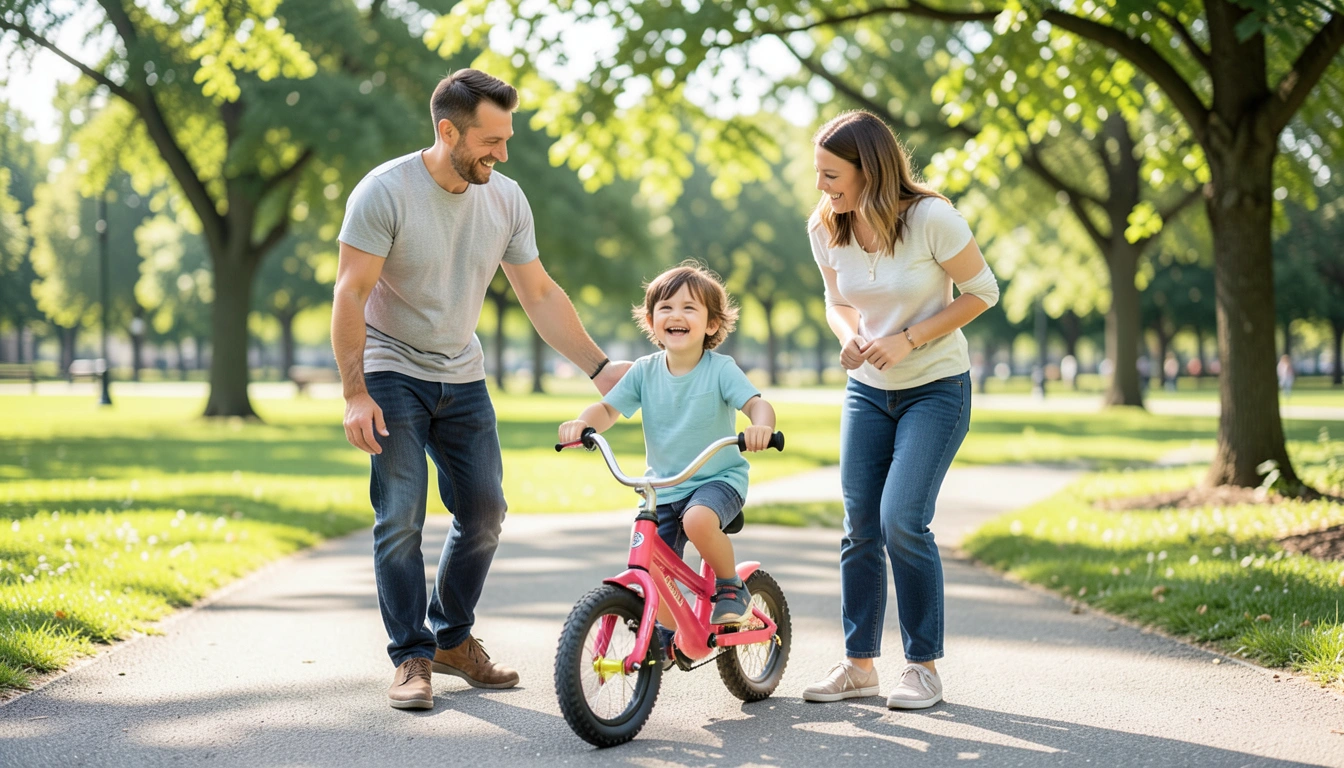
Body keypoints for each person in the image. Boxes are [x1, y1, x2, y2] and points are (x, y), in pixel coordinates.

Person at [332, 69, 630, 711]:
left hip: (461, 372)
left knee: (486, 511)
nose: (502, 152)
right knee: (401, 515)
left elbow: (540, 293)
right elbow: (351, 292)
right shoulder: (384, 192)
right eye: (490, 140)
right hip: (390, 367)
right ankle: (411, 657)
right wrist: (356, 393)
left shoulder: (506, 198)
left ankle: (452, 638)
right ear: (448, 131)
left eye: (506, 138)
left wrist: (599, 368)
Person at [801, 111, 999, 710]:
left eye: (832, 174)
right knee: (859, 524)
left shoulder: (931, 219)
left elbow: (983, 292)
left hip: (935, 386)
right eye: (818, 173)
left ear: (870, 169)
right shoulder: (825, 225)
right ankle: (859, 665)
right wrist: (848, 335)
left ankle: (923, 667)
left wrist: (909, 339)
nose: (821, 186)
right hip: (866, 389)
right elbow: (837, 301)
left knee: (901, 519)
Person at [558, 263, 777, 653]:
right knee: (652, 566)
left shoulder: (721, 370)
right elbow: (607, 410)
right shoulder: (644, 372)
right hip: (661, 487)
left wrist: (759, 427)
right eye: (666, 308)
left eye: (690, 308)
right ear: (651, 320)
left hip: (717, 480)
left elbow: (756, 405)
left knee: (697, 519)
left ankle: (730, 586)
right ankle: (671, 636)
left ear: (711, 324)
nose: (676, 315)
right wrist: (582, 424)